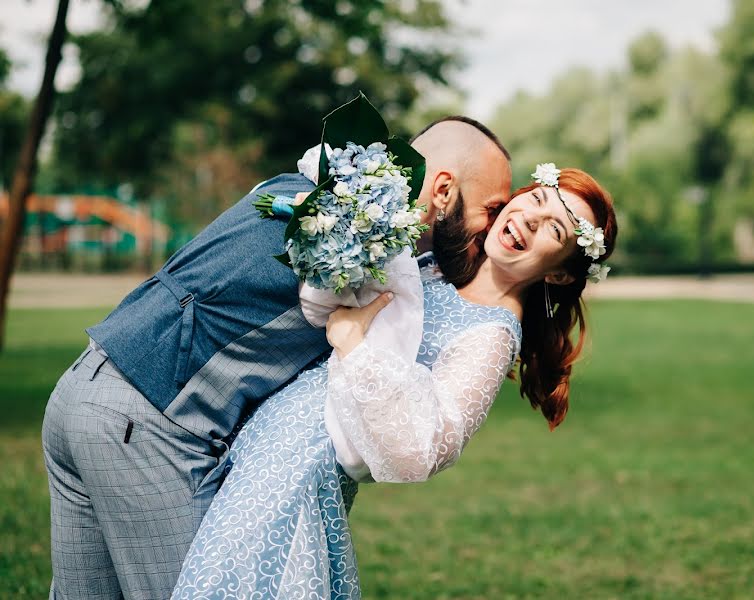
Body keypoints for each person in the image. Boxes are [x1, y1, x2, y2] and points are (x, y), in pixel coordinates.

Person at [40, 116, 511, 600]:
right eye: (492, 209)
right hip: (146, 424)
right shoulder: (369, 245)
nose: (494, 227)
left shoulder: (304, 184)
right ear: (444, 189)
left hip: (82, 386)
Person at [171, 166, 618, 598]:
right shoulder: (440, 269)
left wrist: (353, 347)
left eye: (555, 231)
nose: (531, 220)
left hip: (298, 473)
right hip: (266, 442)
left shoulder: (491, 335)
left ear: (559, 273)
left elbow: (428, 448)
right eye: (536, 199)